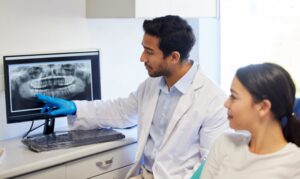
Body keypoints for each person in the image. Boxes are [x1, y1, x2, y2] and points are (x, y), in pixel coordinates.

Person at [36, 15, 229, 179]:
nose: (142, 58)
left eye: (149, 52)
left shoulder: (213, 100)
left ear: (174, 57)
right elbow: (121, 111)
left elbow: (210, 165)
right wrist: (75, 107)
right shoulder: (153, 85)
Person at [201, 63, 300, 179]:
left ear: (263, 107)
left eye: (233, 96)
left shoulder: (294, 164)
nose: (226, 104)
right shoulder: (224, 144)